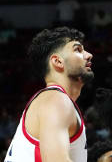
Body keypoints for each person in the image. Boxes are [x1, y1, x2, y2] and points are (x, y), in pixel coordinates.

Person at [3, 27, 93, 162]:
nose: (89, 54)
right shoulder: (56, 100)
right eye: (78, 50)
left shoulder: (52, 99)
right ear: (57, 61)